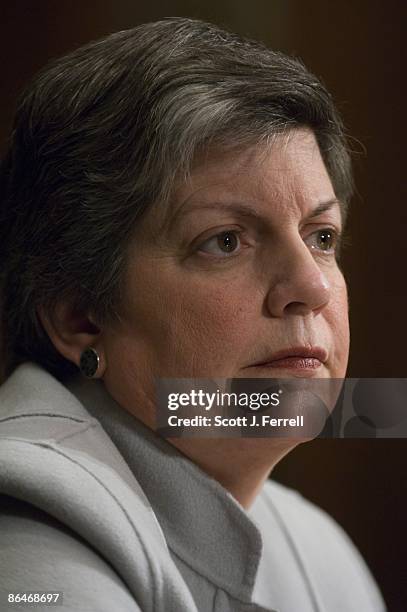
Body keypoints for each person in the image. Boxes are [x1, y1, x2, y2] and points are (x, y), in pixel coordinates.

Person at [0, 17, 385, 612]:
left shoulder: (322, 550)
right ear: (80, 316)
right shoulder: (27, 535)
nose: (311, 287)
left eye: (322, 236)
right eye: (225, 241)